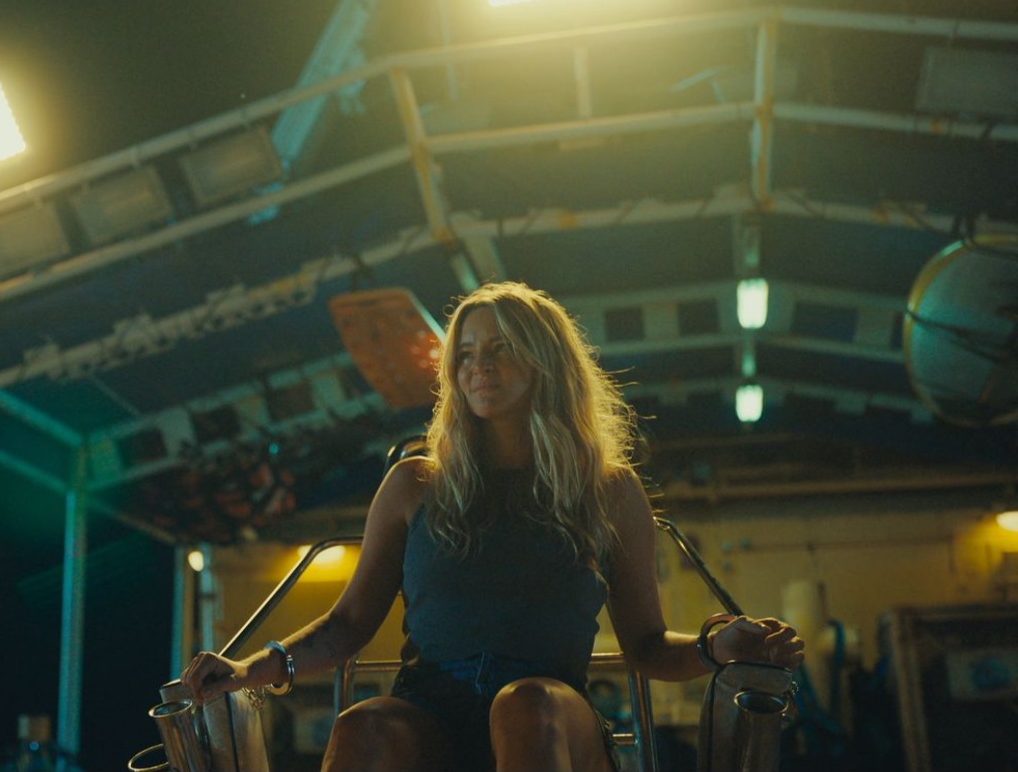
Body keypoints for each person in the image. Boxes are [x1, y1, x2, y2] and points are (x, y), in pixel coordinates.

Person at [181, 281, 804, 771]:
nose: (479, 365)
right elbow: (347, 624)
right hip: (429, 710)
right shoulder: (413, 485)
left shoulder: (608, 490)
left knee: (526, 705)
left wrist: (713, 646)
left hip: (552, 713)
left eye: (501, 348)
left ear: (547, 362)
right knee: (363, 724)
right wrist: (248, 670)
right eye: (467, 354)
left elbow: (645, 645)